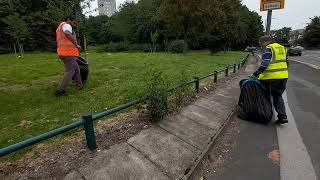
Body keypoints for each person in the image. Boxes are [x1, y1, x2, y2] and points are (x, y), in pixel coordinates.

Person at [252, 36, 289, 125]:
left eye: (261, 44)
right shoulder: (283, 48)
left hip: (270, 78)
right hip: (283, 77)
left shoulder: (269, 49)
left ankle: (264, 114)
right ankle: (282, 116)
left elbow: (265, 64)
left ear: (265, 42)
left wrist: (256, 73)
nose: (261, 46)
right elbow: (287, 62)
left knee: (264, 95)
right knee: (277, 96)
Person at [55, 16, 83, 97]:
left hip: (63, 53)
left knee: (76, 68)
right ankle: (60, 90)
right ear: (69, 20)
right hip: (68, 54)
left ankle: (80, 85)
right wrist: (76, 45)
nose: (74, 24)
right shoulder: (67, 25)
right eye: (73, 22)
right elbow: (67, 33)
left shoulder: (60, 27)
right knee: (70, 71)